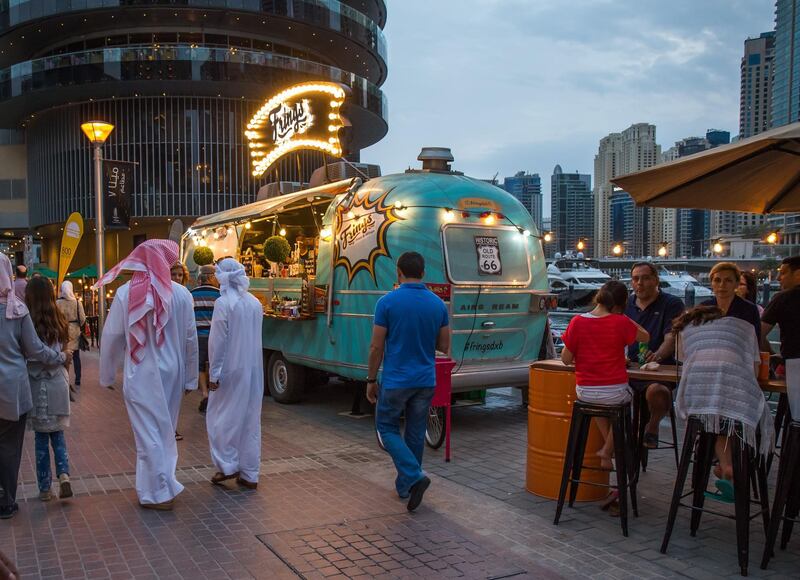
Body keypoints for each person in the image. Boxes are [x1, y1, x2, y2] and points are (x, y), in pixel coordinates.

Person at [96, 240, 199, 510]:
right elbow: (191, 340)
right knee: (163, 431)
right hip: (173, 373)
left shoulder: (124, 293)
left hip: (140, 373)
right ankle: (153, 487)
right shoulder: (182, 294)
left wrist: (107, 375)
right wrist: (190, 378)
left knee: (148, 434)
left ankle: (160, 492)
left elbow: (112, 336)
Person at [366, 251, 450, 512]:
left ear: (398, 272)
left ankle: (414, 477)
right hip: (426, 379)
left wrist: (370, 379)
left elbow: (376, 347)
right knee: (415, 432)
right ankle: (406, 487)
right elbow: (444, 345)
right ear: (423, 273)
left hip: (396, 380)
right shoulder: (438, 304)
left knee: (386, 427)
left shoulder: (386, 303)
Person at [673, 306, 774, 501]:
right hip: (735, 402)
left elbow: (681, 359)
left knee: (718, 423)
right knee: (729, 421)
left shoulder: (687, 330)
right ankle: (730, 468)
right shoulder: (742, 328)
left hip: (697, 401)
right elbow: (753, 368)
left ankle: (726, 466)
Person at [0, 254, 66, 520]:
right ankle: (6, 501)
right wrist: (59, 358)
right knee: (10, 446)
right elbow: (35, 349)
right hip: (12, 390)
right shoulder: (16, 309)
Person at [562, 281, 649, 469]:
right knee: (626, 402)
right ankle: (608, 450)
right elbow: (645, 336)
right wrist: (623, 316)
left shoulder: (577, 321)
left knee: (599, 404)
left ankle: (607, 452)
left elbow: (566, 359)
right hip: (614, 391)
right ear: (620, 303)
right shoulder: (620, 321)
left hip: (584, 391)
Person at [206, 259, 264, 489]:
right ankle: (250, 472)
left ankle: (227, 465)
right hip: (253, 369)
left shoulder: (223, 303)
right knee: (250, 419)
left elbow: (218, 342)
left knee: (221, 418)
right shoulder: (254, 303)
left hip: (230, 370)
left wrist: (214, 374)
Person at [624, 262, 685, 449]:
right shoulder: (626, 304)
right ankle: (615, 444)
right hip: (627, 369)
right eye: (636, 279)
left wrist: (657, 356)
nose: (640, 283)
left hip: (659, 369)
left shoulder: (672, 304)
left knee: (657, 392)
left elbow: (671, 337)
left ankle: (652, 427)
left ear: (656, 280)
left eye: (645, 278)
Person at [25, 276, 74, 502]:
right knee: (58, 435)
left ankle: (45, 488)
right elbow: (65, 355)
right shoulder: (60, 319)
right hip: (58, 383)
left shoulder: (28, 322)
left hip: (36, 385)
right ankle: (64, 474)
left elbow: (28, 353)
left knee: (41, 440)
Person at [761, 256, 800, 417]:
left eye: (783, 273)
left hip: (795, 366)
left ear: (798, 274)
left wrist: (770, 355)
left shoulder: (783, 298)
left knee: (795, 420)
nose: (778, 278)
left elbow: (757, 333)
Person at [701, 262, 761, 342]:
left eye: (728, 280)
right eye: (717, 280)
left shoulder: (749, 309)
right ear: (711, 283)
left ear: (736, 284)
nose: (722, 285)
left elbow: (755, 341)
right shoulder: (703, 308)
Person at [190, 265, 221, 414]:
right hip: (215, 336)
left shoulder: (192, 294)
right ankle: (215, 395)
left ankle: (205, 393)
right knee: (215, 364)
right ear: (210, 277)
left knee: (200, 365)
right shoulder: (219, 294)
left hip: (198, 335)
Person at [56, 281, 86, 396]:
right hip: (75, 331)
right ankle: (78, 379)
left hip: (62, 331)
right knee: (76, 356)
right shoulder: (78, 303)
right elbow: (82, 319)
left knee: (63, 355)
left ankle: (64, 378)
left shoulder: (58, 303)